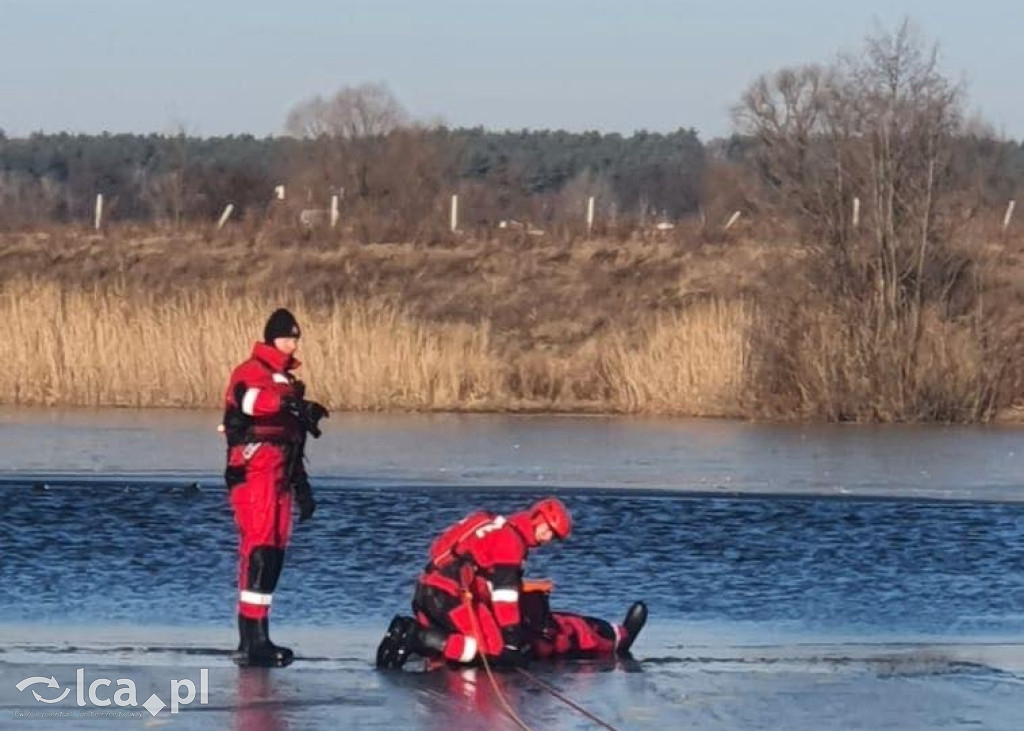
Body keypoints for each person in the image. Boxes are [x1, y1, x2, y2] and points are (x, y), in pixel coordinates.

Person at [221, 308, 328, 667]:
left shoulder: (286, 379)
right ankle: (253, 639)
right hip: (254, 470)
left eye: (296, 338)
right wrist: (288, 403)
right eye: (286, 337)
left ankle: (257, 634)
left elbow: (293, 441)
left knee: (275, 551)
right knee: (260, 548)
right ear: (271, 338)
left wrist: (303, 487)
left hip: (280, 472)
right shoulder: (251, 371)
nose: (292, 343)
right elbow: (250, 401)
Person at [376, 497, 572, 670]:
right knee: (491, 650)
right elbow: (504, 595)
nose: (546, 539)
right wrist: (511, 641)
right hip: (449, 596)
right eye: (547, 531)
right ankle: (419, 638)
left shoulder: (487, 522)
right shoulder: (510, 542)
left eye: (552, 537)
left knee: (476, 641)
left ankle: (420, 638)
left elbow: (439, 548)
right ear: (536, 518)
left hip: (426, 589)